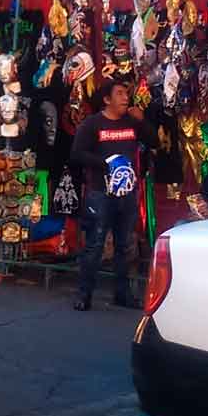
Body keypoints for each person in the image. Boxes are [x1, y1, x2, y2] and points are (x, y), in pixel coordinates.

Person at [70, 81, 158, 311]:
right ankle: (84, 294)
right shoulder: (92, 124)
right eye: (119, 93)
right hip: (101, 192)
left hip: (128, 193)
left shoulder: (132, 122)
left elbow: (155, 141)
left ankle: (123, 294)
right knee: (94, 245)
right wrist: (107, 164)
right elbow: (77, 154)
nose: (125, 97)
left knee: (124, 246)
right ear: (107, 100)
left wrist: (142, 120)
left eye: (126, 93)